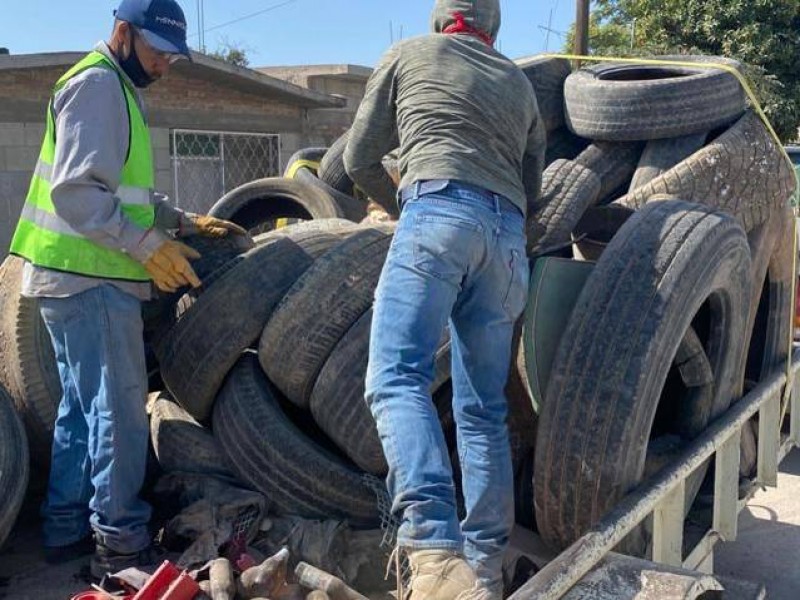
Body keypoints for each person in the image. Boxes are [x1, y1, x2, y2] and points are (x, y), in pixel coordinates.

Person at [8, 0, 244, 578]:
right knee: (119, 412)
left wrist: (182, 221)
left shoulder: (114, 86)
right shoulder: (98, 86)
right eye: (159, 53)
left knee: (80, 412)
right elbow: (78, 195)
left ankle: (65, 528)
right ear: (122, 32)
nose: (165, 67)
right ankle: (121, 543)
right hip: (93, 277)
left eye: (172, 57)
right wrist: (147, 248)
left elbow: (122, 195)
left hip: (68, 277)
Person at [344, 0, 545, 598]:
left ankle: (432, 551)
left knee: (396, 378)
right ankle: (481, 572)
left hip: (437, 213)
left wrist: (399, 196)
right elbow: (532, 186)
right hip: (508, 240)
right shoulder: (519, 82)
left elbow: (357, 157)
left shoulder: (409, 54)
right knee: (482, 408)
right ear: (493, 27)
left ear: (441, 19)